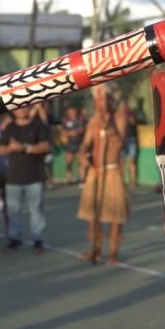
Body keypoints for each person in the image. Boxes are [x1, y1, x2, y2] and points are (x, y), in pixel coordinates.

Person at [77, 86, 130, 264]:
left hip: (112, 171)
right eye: (100, 100)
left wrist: (109, 127)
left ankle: (113, 251)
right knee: (92, 214)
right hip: (96, 171)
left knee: (115, 215)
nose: (103, 103)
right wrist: (83, 154)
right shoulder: (93, 121)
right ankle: (96, 248)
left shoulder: (119, 118)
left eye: (106, 98)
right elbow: (85, 143)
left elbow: (120, 141)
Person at [0, 105, 51, 252]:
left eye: (25, 107)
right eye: (18, 108)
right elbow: (1, 149)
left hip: (35, 176)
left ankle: (38, 239)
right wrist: (11, 148)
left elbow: (46, 146)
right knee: (13, 210)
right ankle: (15, 239)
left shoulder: (39, 125)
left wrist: (26, 148)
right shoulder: (10, 128)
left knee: (36, 210)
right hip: (13, 177)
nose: (22, 110)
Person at [60, 105, 86, 185]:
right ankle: (69, 178)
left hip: (79, 143)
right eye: (70, 110)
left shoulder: (80, 119)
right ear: (67, 112)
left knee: (81, 162)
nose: (72, 112)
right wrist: (70, 133)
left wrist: (77, 132)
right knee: (69, 162)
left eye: (73, 110)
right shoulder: (65, 121)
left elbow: (84, 129)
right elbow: (63, 131)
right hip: (70, 144)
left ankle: (82, 179)